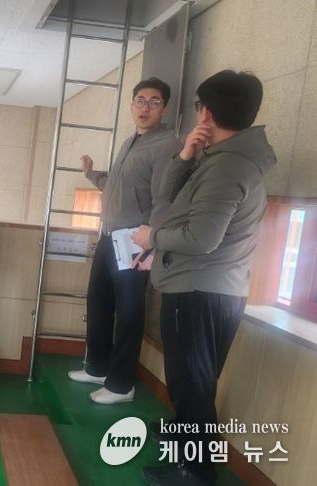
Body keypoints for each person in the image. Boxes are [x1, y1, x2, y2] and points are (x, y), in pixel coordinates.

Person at [132, 70, 275, 485]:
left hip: (198, 291)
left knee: (191, 384)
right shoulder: (223, 158)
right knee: (195, 379)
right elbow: (167, 196)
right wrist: (185, 156)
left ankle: (194, 471)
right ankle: (184, 438)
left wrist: (153, 237)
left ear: (206, 112)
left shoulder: (227, 167)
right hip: (211, 290)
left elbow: (201, 237)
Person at [67, 78, 183, 405]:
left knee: (129, 311)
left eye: (154, 102)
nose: (145, 107)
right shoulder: (131, 141)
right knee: (99, 302)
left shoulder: (167, 146)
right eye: (140, 101)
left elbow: (165, 199)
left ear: (164, 108)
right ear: (132, 106)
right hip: (109, 235)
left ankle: (121, 385)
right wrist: (91, 174)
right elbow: (116, 184)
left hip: (135, 240)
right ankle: (98, 367)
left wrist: (150, 240)